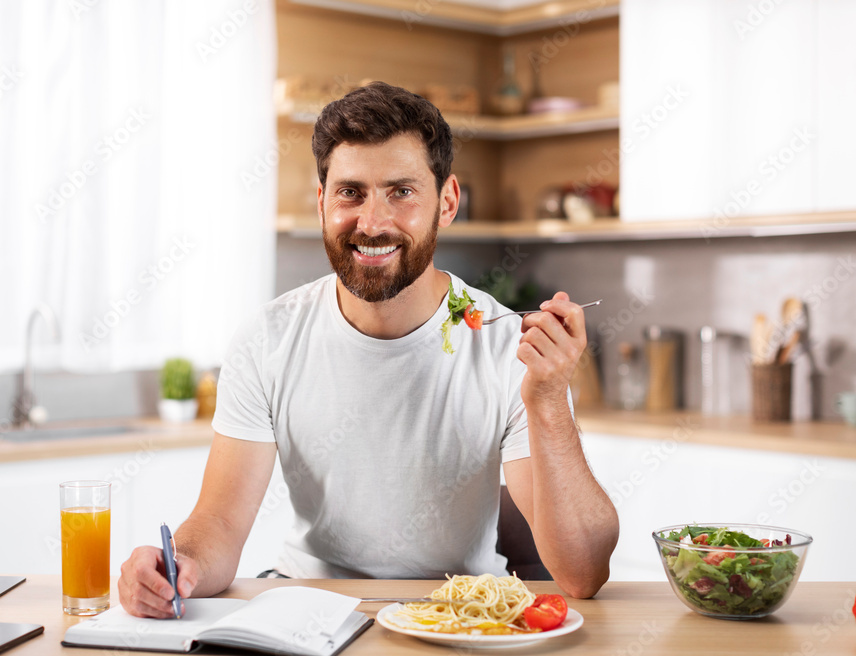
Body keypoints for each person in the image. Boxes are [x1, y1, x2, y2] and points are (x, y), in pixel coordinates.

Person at [119, 81, 618, 618]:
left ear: (446, 203)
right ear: (322, 201)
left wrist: (548, 402)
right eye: (350, 192)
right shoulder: (268, 338)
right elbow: (218, 523)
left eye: (401, 192)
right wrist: (179, 567)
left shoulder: (504, 344)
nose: (372, 223)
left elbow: (582, 572)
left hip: (461, 616)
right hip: (307, 610)